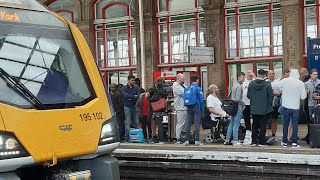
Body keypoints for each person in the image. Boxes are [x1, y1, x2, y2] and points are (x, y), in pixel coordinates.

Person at [273, 69, 307, 148]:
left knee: (285, 124)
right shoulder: (300, 83)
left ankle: (284, 142)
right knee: (295, 125)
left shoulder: (285, 81)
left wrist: (280, 79)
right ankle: (294, 143)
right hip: (295, 107)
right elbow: (303, 97)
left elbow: (274, 85)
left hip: (286, 106)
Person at [247, 69, 273, 147]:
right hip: (264, 109)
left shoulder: (251, 84)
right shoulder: (268, 85)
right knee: (263, 125)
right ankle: (262, 142)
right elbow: (270, 97)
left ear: (257, 74)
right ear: (264, 75)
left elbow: (248, 96)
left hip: (254, 108)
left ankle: (254, 141)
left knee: (254, 124)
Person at [225, 72, 245, 146]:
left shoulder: (234, 86)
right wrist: (243, 104)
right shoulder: (239, 87)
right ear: (238, 77)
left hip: (232, 107)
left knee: (231, 123)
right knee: (236, 124)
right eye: (243, 77)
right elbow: (237, 99)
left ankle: (227, 139)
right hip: (238, 107)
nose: (244, 78)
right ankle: (235, 140)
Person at [183, 74, 204, 146]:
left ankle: (186, 140)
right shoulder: (198, 88)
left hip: (189, 106)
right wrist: (202, 109)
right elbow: (201, 100)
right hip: (196, 106)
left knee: (188, 123)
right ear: (197, 80)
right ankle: (197, 140)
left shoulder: (188, 88)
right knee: (196, 123)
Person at [122, 75, 141, 142]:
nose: (133, 82)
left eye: (134, 80)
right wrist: (133, 96)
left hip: (134, 106)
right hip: (127, 106)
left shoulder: (136, 88)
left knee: (136, 122)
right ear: (128, 80)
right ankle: (127, 138)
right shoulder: (124, 88)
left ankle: (138, 138)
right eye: (132, 80)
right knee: (127, 123)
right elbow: (125, 96)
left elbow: (138, 96)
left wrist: (130, 97)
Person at [304, 69, 320, 144]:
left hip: (318, 104)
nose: (315, 76)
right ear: (310, 75)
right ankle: (309, 136)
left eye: (316, 74)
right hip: (310, 103)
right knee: (310, 120)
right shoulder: (306, 83)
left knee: (317, 120)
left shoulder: (319, 82)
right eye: (314, 74)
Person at [266, 70, 281, 144]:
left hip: (274, 104)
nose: (271, 75)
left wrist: (276, 93)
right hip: (266, 104)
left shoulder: (277, 82)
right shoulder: (265, 82)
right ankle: (264, 135)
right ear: (267, 75)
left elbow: (281, 92)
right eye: (270, 74)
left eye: (273, 74)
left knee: (274, 120)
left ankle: (273, 135)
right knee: (264, 120)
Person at [172, 73, 187, 144]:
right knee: (180, 123)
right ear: (178, 78)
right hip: (180, 107)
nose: (184, 80)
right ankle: (178, 138)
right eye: (182, 79)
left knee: (184, 124)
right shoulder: (176, 86)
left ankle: (183, 137)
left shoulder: (182, 85)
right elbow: (185, 92)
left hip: (185, 107)